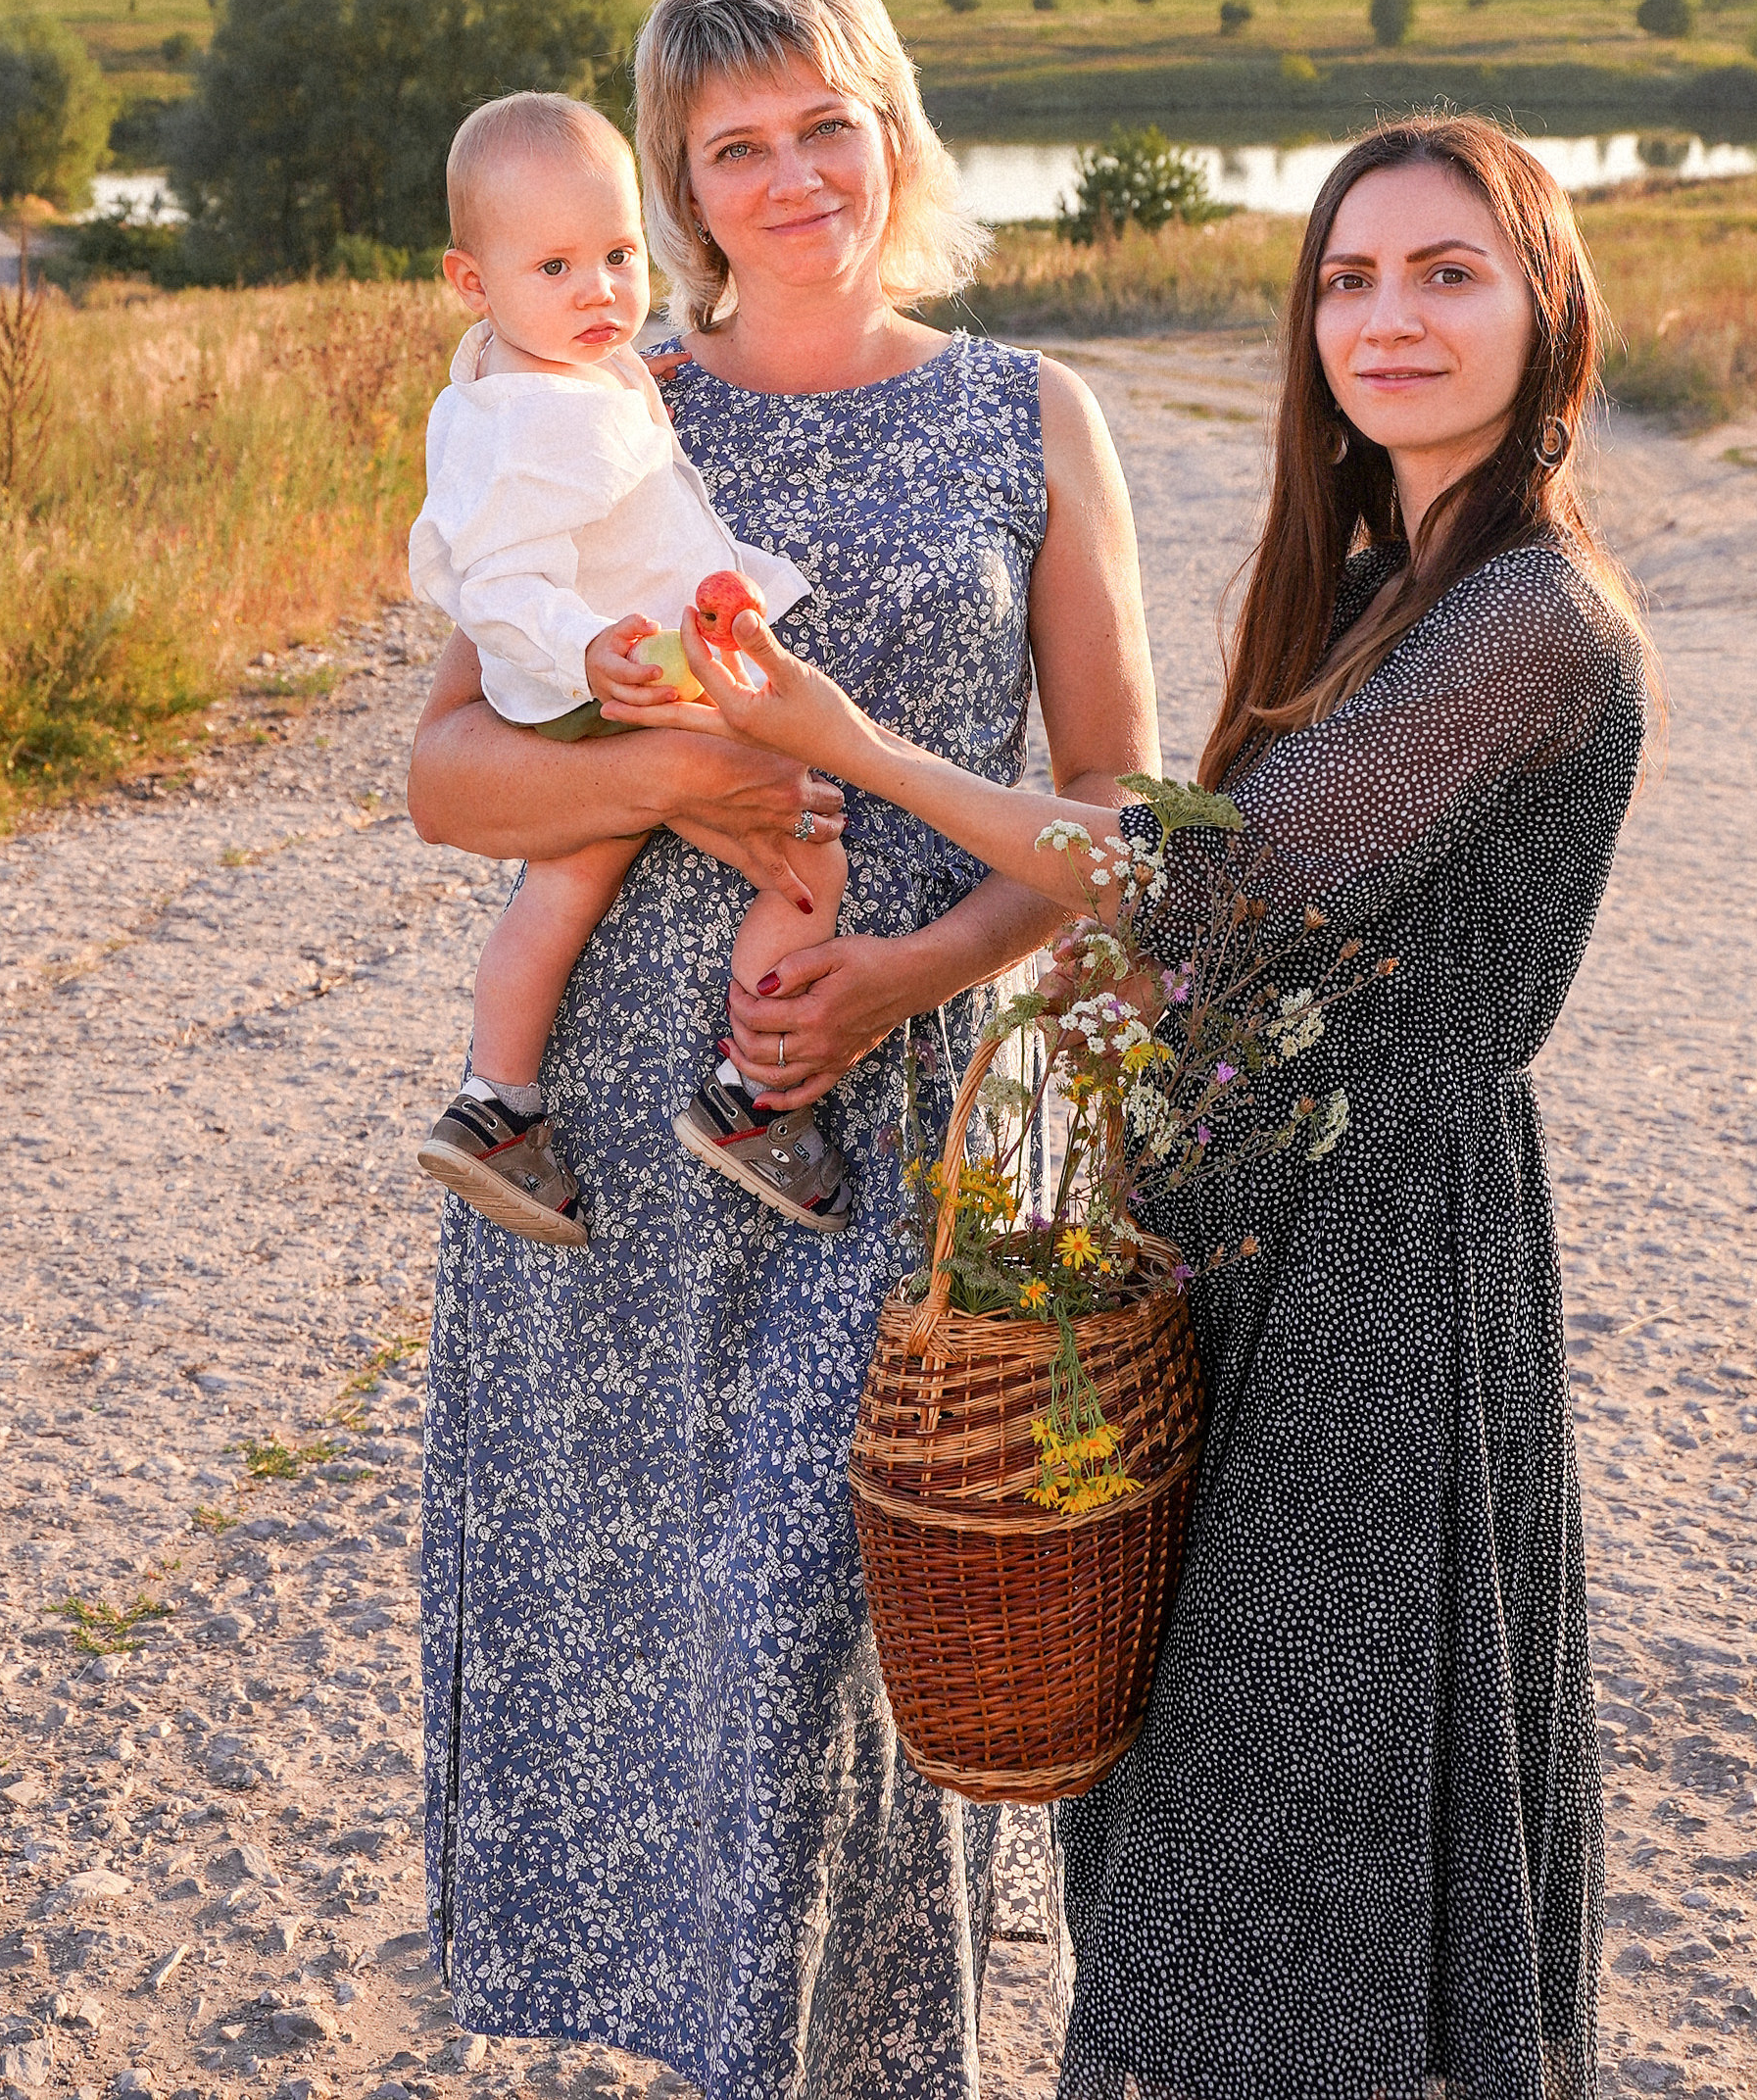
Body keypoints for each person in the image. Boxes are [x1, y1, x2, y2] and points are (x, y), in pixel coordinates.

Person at [647, 116, 1651, 2100]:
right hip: (1246, 1252)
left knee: (1313, 1817)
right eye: (1346, 280)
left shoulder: (1531, 619)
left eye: (1446, 272)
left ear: (1544, 310)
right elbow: (1198, 943)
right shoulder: (1373, 577)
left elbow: (1201, 875)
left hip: (1380, 1276)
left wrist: (842, 744)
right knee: (1189, 1802)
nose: (1387, 318)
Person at [407, 0, 1160, 2100]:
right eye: (732, 143)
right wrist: (675, 779)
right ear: (672, 186)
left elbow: (1107, 802)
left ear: (891, 121)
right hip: (617, 1156)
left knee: (834, 1668)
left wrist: (909, 969)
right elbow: (446, 774)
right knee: (665, 1684)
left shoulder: (1027, 411)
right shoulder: (597, 396)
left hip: (891, 1135)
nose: (791, 172)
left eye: (823, 119)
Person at [407, 87, 850, 1245]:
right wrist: (584, 652)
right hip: (600, 683)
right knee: (805, 844)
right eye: (553, 268)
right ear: (473, 282)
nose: (598, 290)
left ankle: (496, 1101)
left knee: (568, 875)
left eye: (614, 253)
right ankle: (751, 1096)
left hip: (601, 679)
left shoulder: (546, 370)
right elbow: (497, 580)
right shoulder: (521, 423)